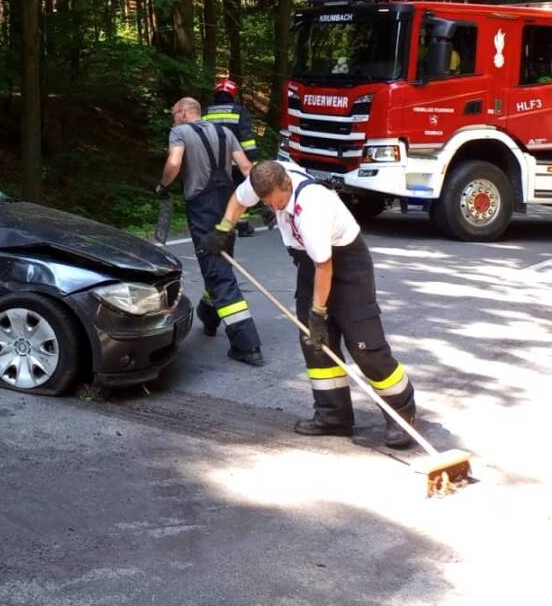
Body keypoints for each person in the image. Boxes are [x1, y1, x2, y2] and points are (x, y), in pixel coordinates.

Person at [199, 160, 417, 448]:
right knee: (314, 342)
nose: (271, 207)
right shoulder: (265, 178)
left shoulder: (311, 207)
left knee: (364, 347)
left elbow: (324, 267)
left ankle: (401, 410)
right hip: (309, 263)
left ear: (287, 184)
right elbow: (239, 199)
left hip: (347, 265)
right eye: (265, 201)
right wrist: (224, 229)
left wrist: (318, 314)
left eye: (275, 201)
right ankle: (333, 415)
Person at [157, 97, 263, 367]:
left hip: (202, 206)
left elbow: (174, 163)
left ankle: (247, 345)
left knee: (218, 271)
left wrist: (163, 186)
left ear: (183, 113)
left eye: (174, 113)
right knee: (220, 262)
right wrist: (261, 200)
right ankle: (209, 314)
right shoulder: (225, 132)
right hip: (228, 205)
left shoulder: (179, 132)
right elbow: (247, 168)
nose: (173, 118)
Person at [204, 78, 258, 236]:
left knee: (217, 192)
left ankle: (218, 223)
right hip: (236, 162)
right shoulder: (239, 111)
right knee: (240, 190)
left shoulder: (206, 112)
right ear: (233, 94)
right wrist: (252, 158)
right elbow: (246, 138)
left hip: (212, 162)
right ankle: (242, 226)